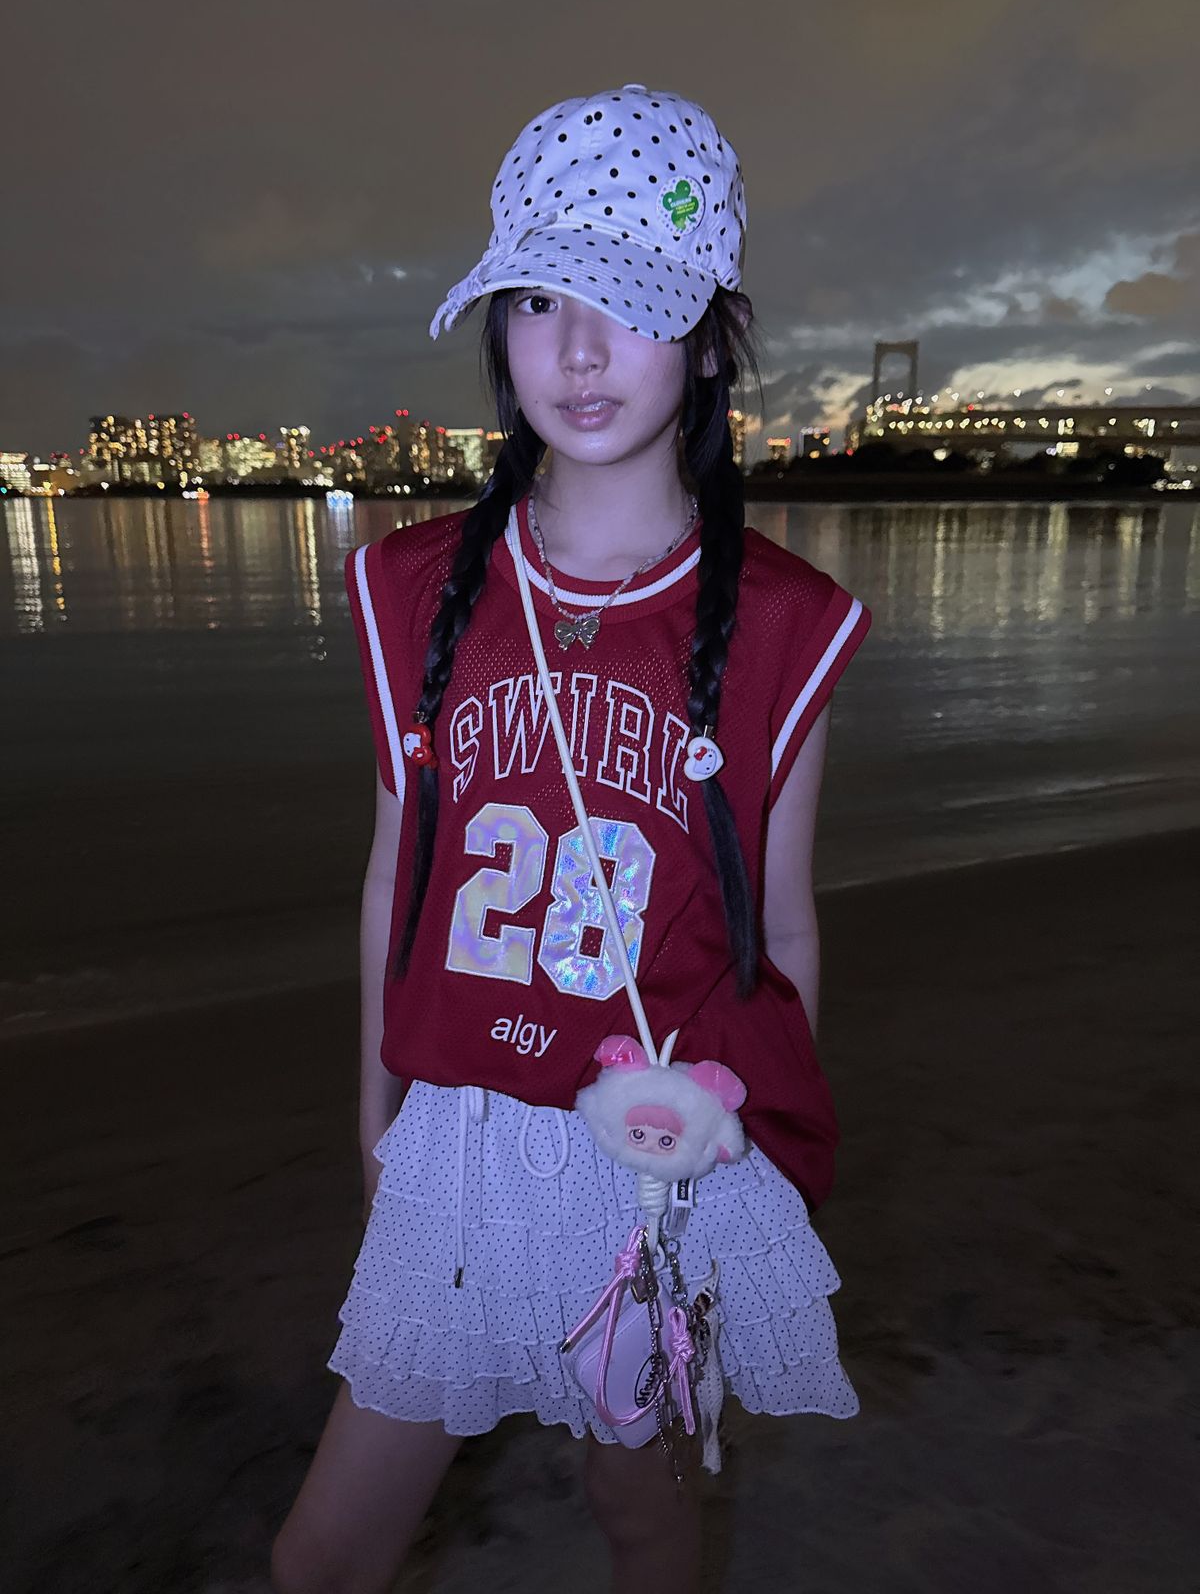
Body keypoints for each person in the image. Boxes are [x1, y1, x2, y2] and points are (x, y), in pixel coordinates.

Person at [271, 83, 871, 1594]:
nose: (580, 348)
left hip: (660, 1148)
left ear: (713, 333)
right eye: (539, 298)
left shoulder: (784, 623)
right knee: (322, 1557)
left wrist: (764, 1172)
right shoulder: (418, 587)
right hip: (463, 1138)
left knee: (642, 1513)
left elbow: (783, 925)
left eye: (629, 296)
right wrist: (373, 1118)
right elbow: (396, 873)